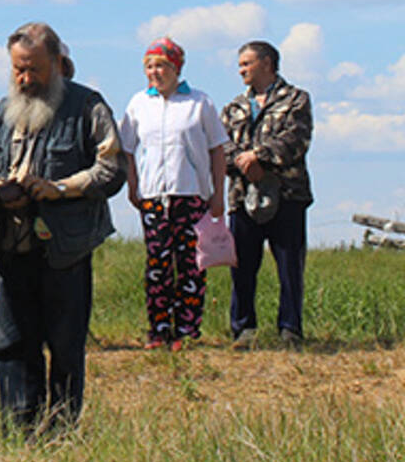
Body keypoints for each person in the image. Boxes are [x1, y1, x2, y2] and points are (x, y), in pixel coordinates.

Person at [0, 22, 124, 434]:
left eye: (34, 70)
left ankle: (59, 431)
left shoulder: (88, 106)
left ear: (57, 64)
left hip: (66, 249)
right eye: (18, 70)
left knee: (65, 345)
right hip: (13, 243)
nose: (25, 79)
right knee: (10, 344)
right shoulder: (3, 110)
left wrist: (59, 189)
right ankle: (18, 429)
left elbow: (112, 169)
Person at [118, 37, 226, 351]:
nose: (155, 72)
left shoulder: (199, 102)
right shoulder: (139, 103)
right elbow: (126, 149)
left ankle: (187, 330)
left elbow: (217, 149)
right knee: (157, 264)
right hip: (153, 197)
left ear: (176, 67)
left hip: (191, 194)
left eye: (161, 65)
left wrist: (219, 194)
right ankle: (159, 328)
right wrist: (132, 185)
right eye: (149, 66)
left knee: (190, 263)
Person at [220, 40, 313, 348]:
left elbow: (296, 139)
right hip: (241, 197)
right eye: (240, 64)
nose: (241, 69)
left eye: (246, 63)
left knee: (289, 266)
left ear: (267, 63)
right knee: (242, 267)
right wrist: (244, 164)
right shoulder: (233, 108)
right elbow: (221, 147)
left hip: (287, 195)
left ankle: (290, 330)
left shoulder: (296, 99)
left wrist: (258, 157)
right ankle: (244, 329)